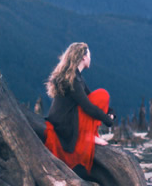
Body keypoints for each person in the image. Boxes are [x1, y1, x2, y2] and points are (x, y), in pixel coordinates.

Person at [43, 42, 114, 174]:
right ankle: (89, 136)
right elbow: (88, 107)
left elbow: (89, 96)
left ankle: (90, 135)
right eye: (89, 56)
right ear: (83, 57)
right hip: (65, 125)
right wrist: (107, 120)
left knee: (99, 95)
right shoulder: (73, 80)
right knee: (102, 94)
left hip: (67, 120)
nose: (90, 59)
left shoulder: (76, 77)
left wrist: (111, 112)